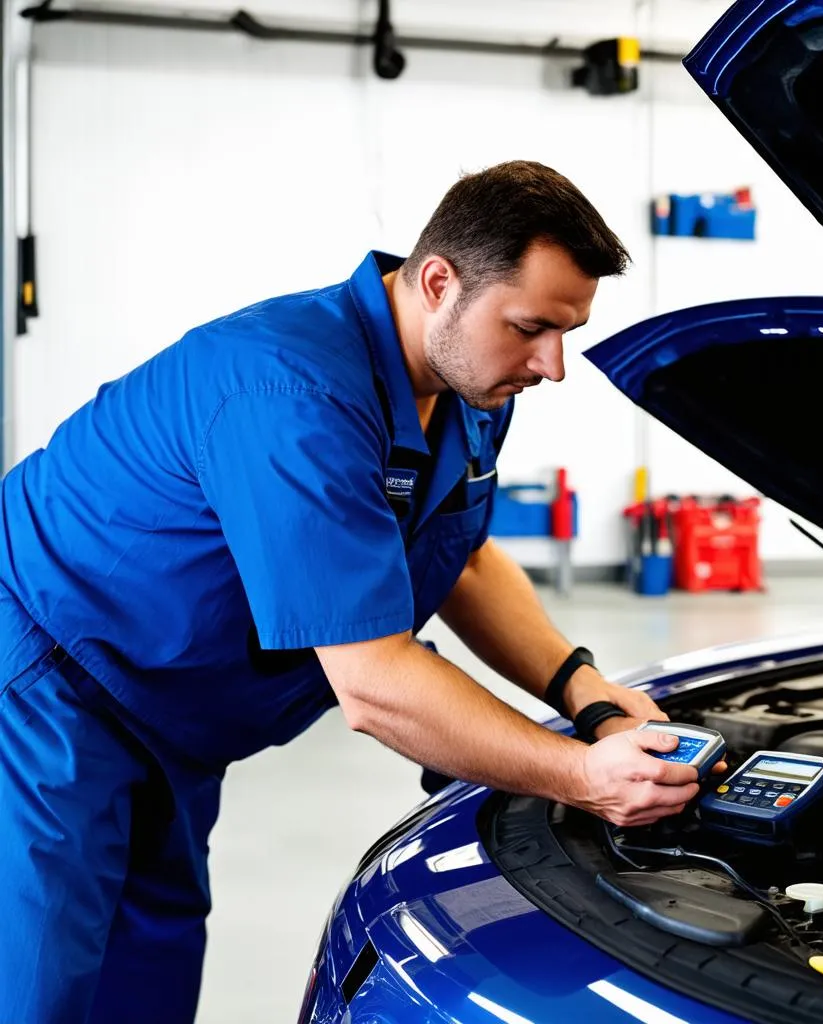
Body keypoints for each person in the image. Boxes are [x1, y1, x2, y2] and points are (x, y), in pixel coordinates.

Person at [0, 160, 707, 1023]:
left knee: (147, 967)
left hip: (171, 713)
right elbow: (373, 686)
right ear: (439, 281)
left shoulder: (469, 385)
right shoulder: (288, 390)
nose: (552, 365)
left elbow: (465, 559)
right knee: (38, 980)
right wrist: (579, 774)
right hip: (48, 676)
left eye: (567, 331)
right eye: (531, 327)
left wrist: (581, 689)